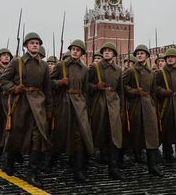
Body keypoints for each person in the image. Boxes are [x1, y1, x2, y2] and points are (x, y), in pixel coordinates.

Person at [0, 32, 53, 187]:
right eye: (32, 43)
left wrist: (49, 110)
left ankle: (32, 173)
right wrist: (14, 88)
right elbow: (3, 80)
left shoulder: (43, 64)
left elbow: (48, 89)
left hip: (38, 104)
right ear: (25, 46)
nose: (35, 45)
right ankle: (9, 162)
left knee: (38, 137)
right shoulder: (17, 62)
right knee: (16, 134)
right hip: (21, 103)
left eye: (37, 43)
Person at [50, 39, 94, 182]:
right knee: (61, 133)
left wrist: (86, 106)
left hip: (80, 104)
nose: (75, 51)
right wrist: (59, 82)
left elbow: (86, 90)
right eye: (73, 49)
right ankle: (50, 161)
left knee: (80, 135)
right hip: (64, 103)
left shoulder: (85, 69)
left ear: (81, 53)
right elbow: (49, 83)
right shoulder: (60, 65)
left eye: (78, 50)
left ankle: (78, 170)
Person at [123, 44, 163, 177]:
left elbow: (153, 92)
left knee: (152, 135)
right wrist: (133, 91)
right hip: (135, 106)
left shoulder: (151, 73)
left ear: (146, 56)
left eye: (142, 53)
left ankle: (152, 166)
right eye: (138, 53)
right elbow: (122, 87)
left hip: (148, 107)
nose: (140, 55)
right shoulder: (130, 71)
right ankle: (132, 157)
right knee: (135, 133)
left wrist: (152, 104)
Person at [89, 42, 126, 180]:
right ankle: (89, 163)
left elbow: (121, 91)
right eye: (105, 50)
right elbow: (87, 86)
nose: (106, 52)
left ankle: (113, 168)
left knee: (115, 136)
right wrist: (95, 87)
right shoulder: (95, 67)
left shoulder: (118, 69)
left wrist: (121, 109)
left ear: (114, 54)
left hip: (114, 103)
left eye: (110, 51)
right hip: (99, 103)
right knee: (98, 133)